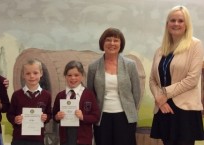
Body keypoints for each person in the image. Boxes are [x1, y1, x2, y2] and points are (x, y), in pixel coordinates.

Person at [149, 5, 204, 145]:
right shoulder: (160, 50)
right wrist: (159, 100)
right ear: (167, 24)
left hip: (185, 111)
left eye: (180, 21)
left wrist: (164, 94)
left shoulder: (196, 45)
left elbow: (192, 79)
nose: (176, 24)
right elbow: (152, 80)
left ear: (187, 24)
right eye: (172, 20)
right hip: (164, 108)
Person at [87, 27, 141, 145]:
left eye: (116, 40)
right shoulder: (93, 67)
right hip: (102, 118)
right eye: (108, 40)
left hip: (125, 117)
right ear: (102, 43)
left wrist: (131, 109)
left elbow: (136, 92)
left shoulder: (130, 65)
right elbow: (90, 94)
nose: (112, 43)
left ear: (121, 44)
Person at [53, 60, 100, 145]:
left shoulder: (89, 95)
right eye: (69, 75)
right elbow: (54, 116)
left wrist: (83, 117)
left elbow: (96, 117)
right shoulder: (60, 96)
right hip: (65, 139)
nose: (73, 78)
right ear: (65, 76)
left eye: (76, 75)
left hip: (83, 140)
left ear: (82, 76)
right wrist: (57, 116)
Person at [6, 59, 52, 145]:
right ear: (23, 75)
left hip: (38, 139)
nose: (31, 76)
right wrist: (15, 119)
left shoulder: (47, 95)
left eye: (35, 73)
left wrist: (46, 117)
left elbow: (49, 114)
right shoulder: (16, 95)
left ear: (41, 73)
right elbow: (10, 114)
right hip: (19, 139)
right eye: (28, 73)